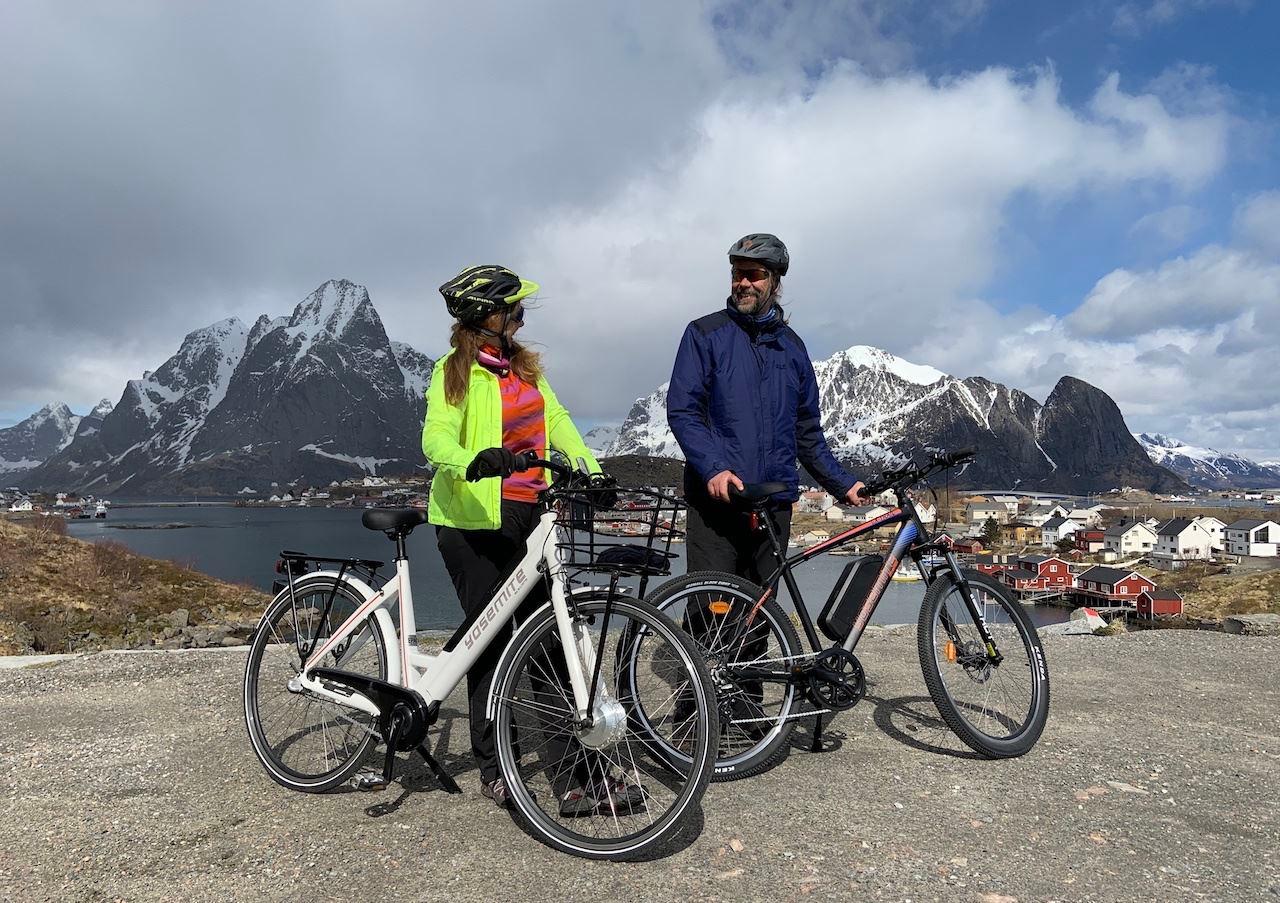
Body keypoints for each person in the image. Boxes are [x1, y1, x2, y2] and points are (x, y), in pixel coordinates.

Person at [421, 264, 638, 815]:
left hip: (529, 513)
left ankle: (578, 773)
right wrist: (474, 459)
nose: (521, 317)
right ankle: (497, 767)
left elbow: (559, 422)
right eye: (513, 308)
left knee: (548, 643)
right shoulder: (453, 372)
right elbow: (435, 437)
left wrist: (592, 468)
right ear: (485, 316)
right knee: (489, 646)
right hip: (472, 521)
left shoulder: (526, 369)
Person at [667, 235, 866, 726]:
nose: (743, 282)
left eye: (754, 274)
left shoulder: (793, 349)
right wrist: (713, 467)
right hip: (717, 500)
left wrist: (844, 485)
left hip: (773, 501)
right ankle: (696, 709)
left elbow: (807, 434)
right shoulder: (705, 333)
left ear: (776, 281)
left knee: (760, 608)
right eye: (737, 272)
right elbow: (684, 411)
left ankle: (747, 704)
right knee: (712, 607)